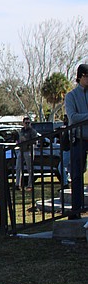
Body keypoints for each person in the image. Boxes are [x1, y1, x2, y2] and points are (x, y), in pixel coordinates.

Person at [65, 63, 88, 220]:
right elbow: (73, 117)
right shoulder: (71, 96)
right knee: (77, 175)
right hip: (79, 139)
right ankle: (76, 210)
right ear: (80, 77)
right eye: (87, 76)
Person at [15, 116, 39, 190]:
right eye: (26, 123)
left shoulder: (33, 131)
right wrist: (18, 142)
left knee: (30, 169)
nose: (27, 124)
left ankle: (30, 185)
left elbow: (35, 141)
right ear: (23, 123)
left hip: (29, 151)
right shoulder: (21, 131)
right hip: (21, 150)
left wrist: (27, 141)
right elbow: (18, 139)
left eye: (29, 122)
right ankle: (17, 184)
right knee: (18, 168)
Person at [57, 114, 71, 188]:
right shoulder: (66, 129)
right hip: (65, 150)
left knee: (61, 167)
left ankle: (65, 184)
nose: (64, 121)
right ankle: (67, 183)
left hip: (68, 150)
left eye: (65, 119)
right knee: (69, 168)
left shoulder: (70, 128)